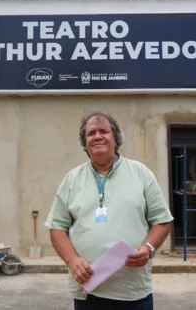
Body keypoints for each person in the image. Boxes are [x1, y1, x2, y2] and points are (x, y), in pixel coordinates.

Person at [44, 111, 174, 310]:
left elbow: (162, 220)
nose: (97, 136)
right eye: (91, 133)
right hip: (87, 290)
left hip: (132, 291)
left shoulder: (141, 174)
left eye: (103, 131)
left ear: (115, 139)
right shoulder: (72, 179)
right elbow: (57, 227)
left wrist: (148, 248)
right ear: (85, 142)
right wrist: (72, 260)